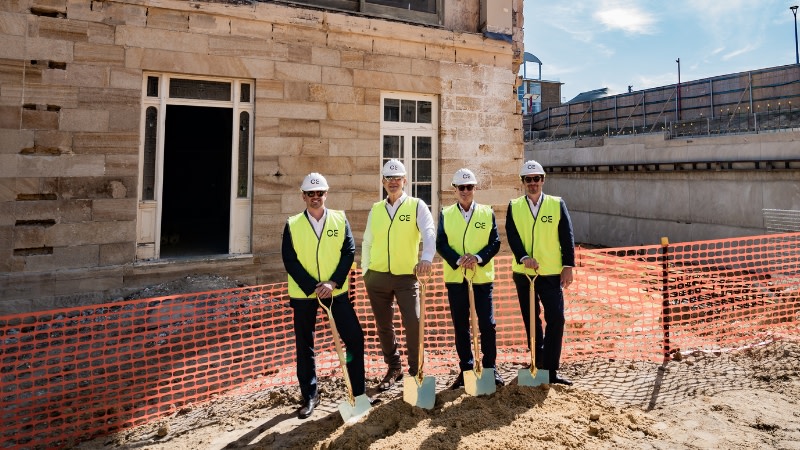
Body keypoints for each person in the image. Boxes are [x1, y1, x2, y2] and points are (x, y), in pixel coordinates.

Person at [281, 172, 367, 419]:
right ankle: (310, 396)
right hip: (305, 295)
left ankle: (358, 393)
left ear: (326, 194)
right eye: (310, 193)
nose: (315, 197)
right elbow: (290, 259)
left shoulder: (340, 219)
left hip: (335, 291)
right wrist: (313, 286)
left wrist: (332, 282)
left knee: (354, 338)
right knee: (305, 346)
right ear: (303, 196)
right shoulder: (293, 223)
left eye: (319, 193)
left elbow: (349, 252)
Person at [362, 159, 436, 391]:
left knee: (413, 322)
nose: (393, 182)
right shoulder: (376, 209)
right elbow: (367, 241)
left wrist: (426, 258)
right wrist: (366, 271)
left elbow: (429, 231)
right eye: (388, 178)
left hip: (407, 277)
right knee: (384, 326)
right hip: (378, 277)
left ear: (405, 181)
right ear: (383, 182)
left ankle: (415, 370)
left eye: (397, 178)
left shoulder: (417, 205)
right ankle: (394, 367)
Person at [505, 160, 576, 386]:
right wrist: (524, 257)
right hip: (524, 273)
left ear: (543, 180)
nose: (533, 183)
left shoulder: (556, 204)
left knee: (556, 318)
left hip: (551, 272)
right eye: (528, 179)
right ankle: (537, 363)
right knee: (531, 319)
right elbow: (512, 236)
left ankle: (552, 369)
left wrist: (568, 266)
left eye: (536, 178)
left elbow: (567, 236)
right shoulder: (514, 206)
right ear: (523, 182)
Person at [436, 168, 503, 389]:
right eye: (461, 187)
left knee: (488, 324)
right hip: (456, 279)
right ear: (454, 189)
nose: (465, 191)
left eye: (469, 187)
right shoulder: (446, 214)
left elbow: (495, 243)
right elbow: (441, 244)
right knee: (461, 326)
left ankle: (490, 369)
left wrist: (477, 257)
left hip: (482, 278)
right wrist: (457, 260)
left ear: (475, 188)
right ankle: (466, 369)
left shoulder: (486, 212)